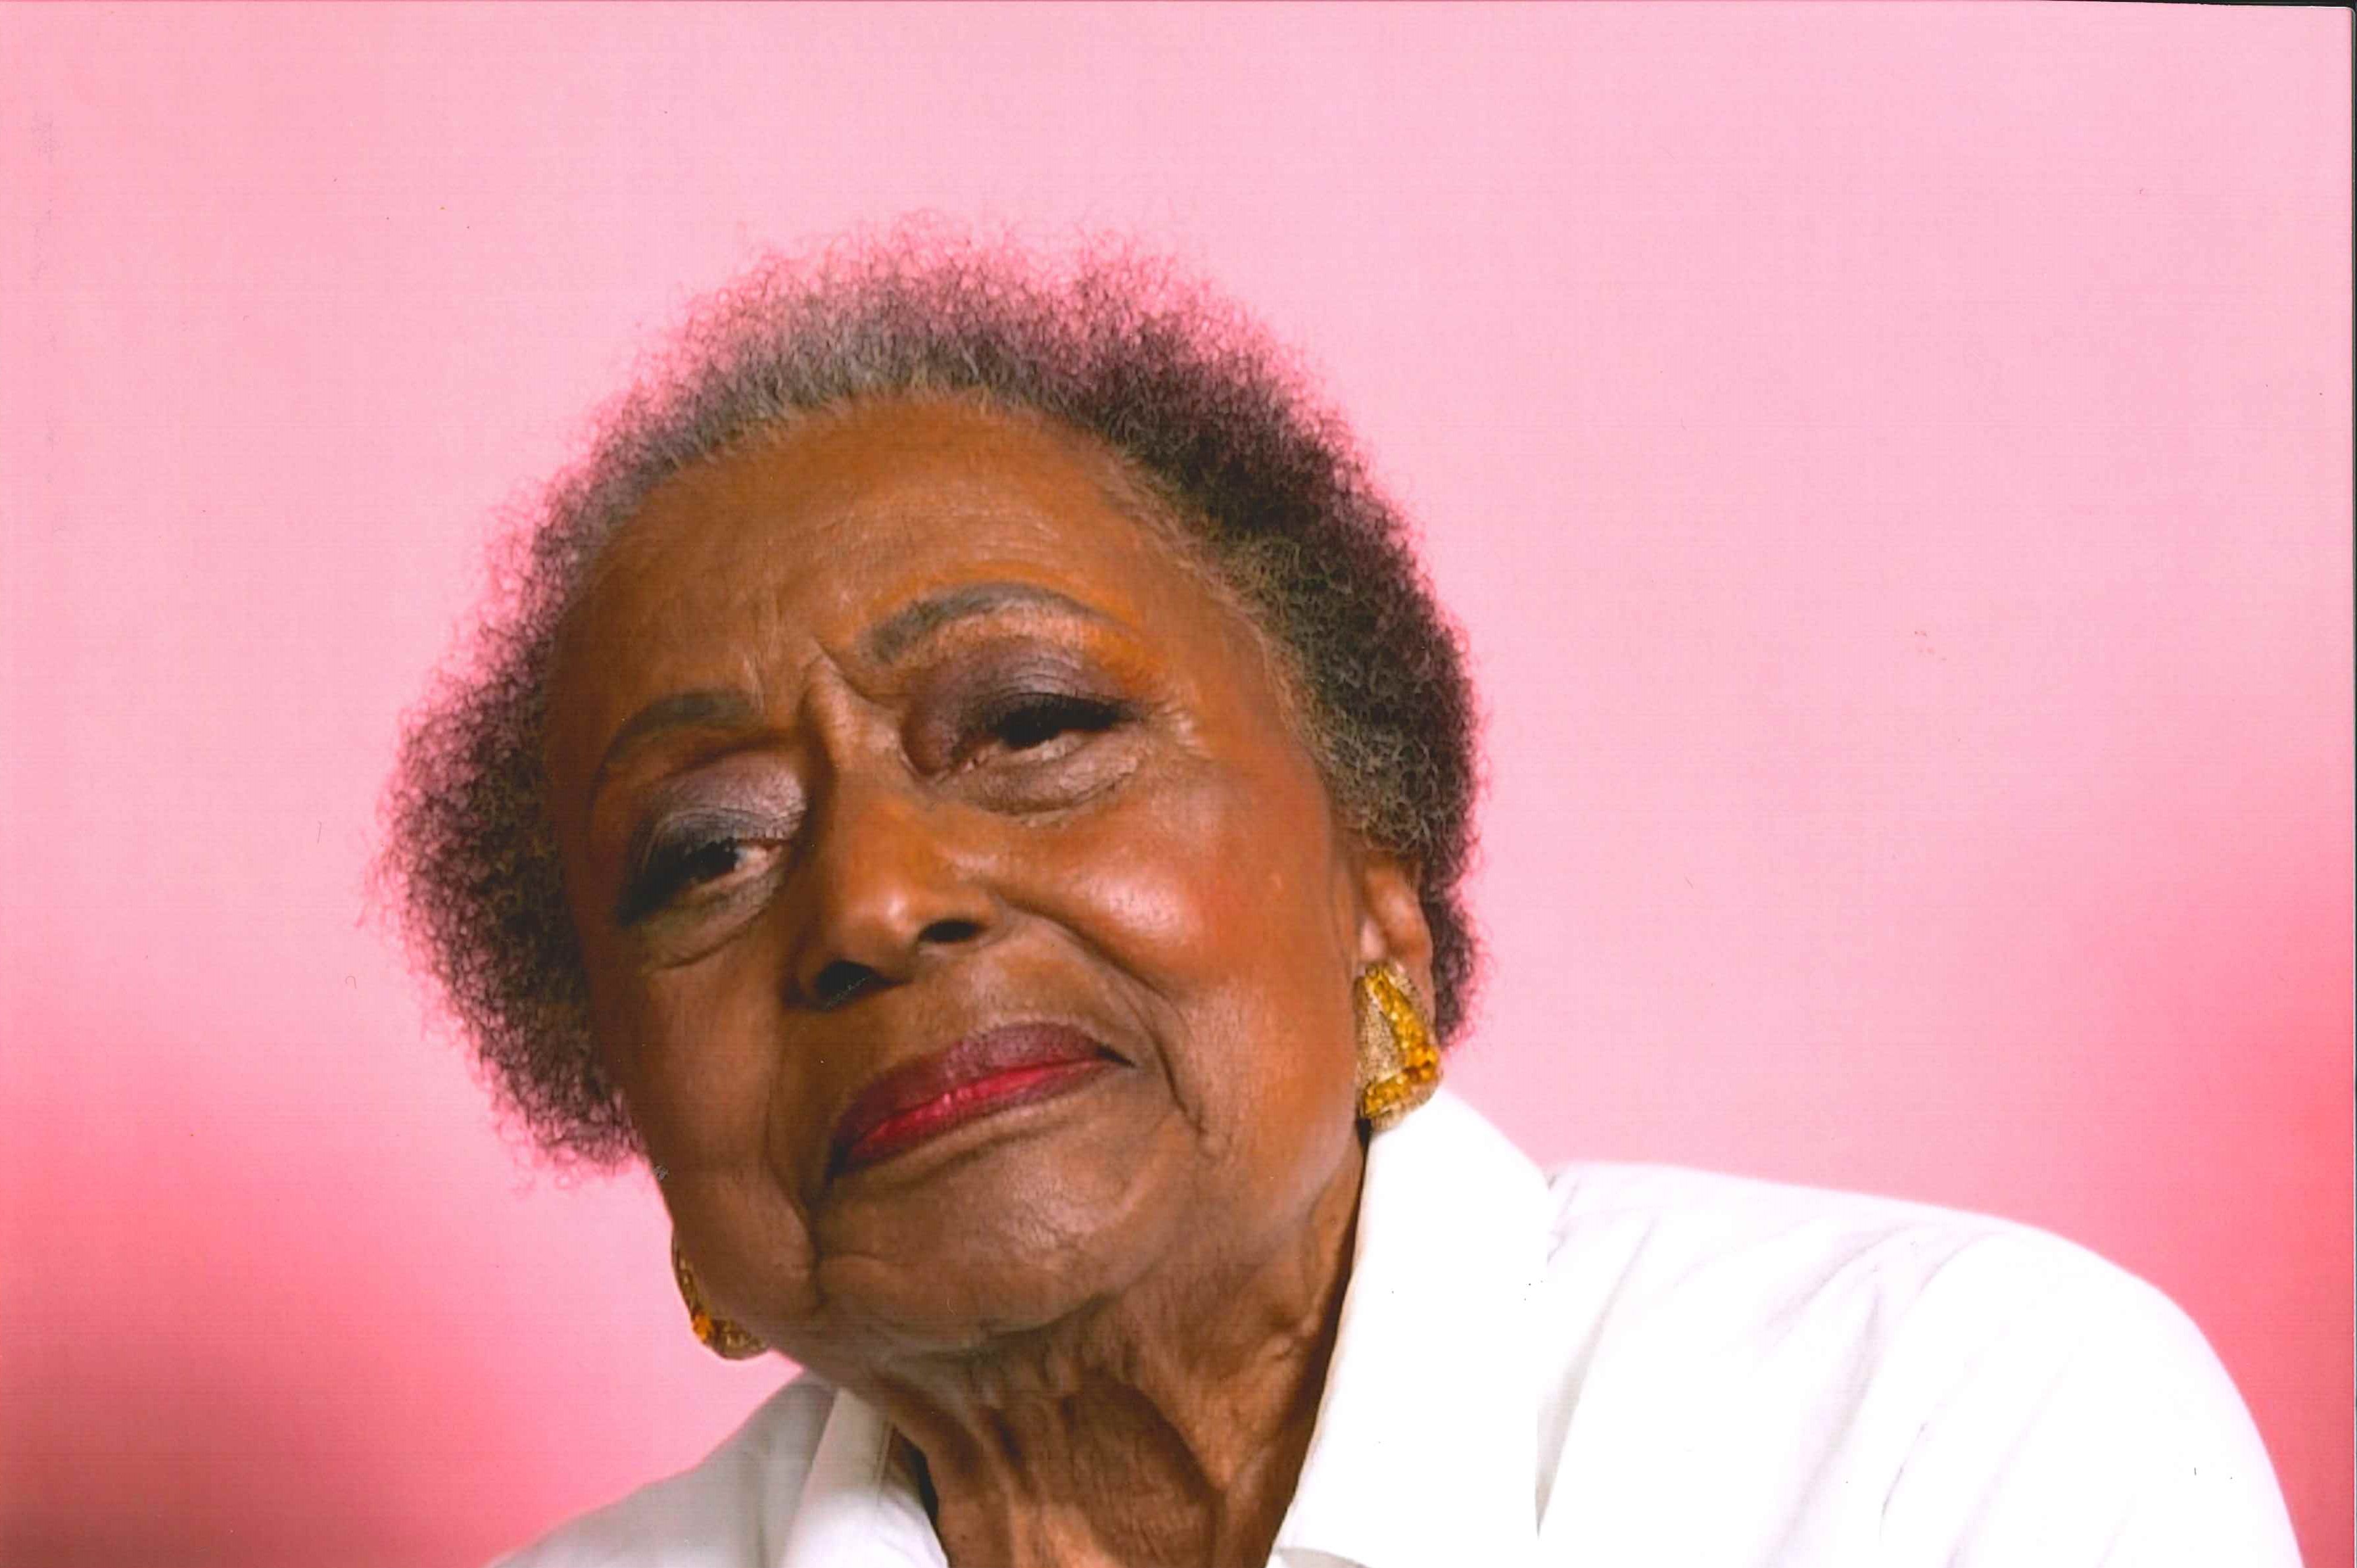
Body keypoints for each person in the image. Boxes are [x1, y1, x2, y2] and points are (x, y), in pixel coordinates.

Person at [382, 229, 2301, 1568]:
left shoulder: (1940, 1428)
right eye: (706, 851)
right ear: (620, 1089)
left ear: (1373, 887)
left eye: (1034, 725)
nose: (875, 900)